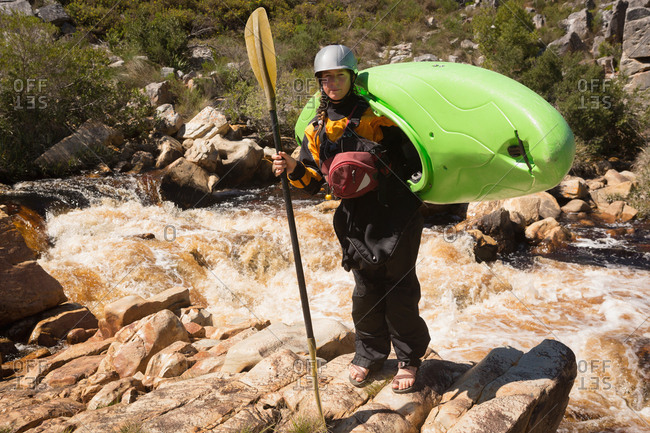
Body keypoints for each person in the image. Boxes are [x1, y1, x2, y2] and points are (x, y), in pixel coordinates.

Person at [272, 44, 430, 393]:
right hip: (353, 217)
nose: (331, 83)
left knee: (400, 287)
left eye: (338, 76)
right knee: (365, 290)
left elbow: (416, 162)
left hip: (394, 211)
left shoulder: (378, 116)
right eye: (324, 78)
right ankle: (370, 354)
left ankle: (408, 359)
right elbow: (313, 184)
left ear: (351, 77)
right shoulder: (315, 129)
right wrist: (293, 167)